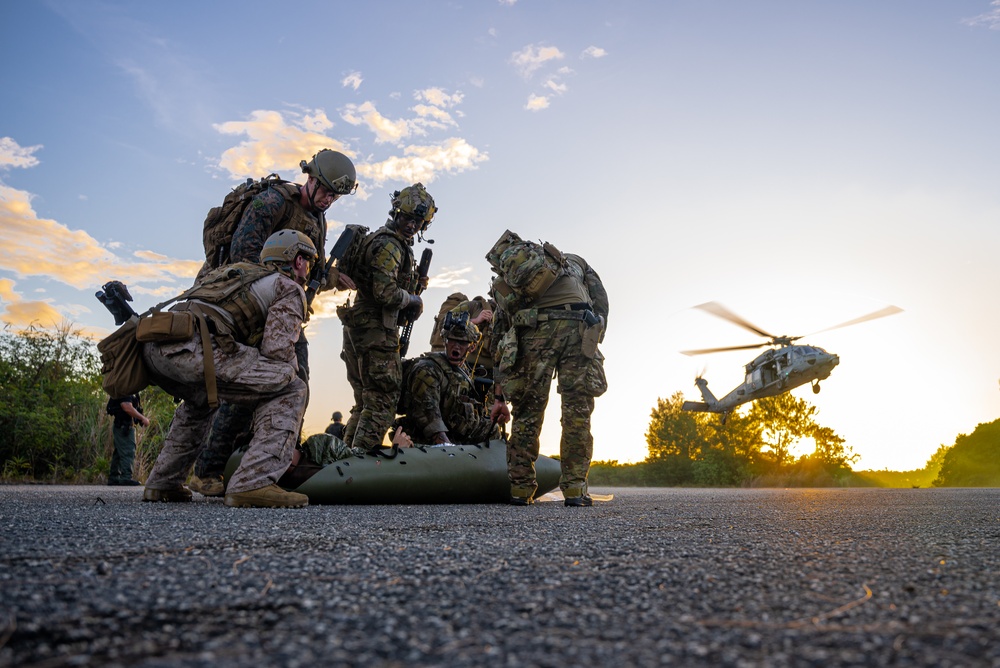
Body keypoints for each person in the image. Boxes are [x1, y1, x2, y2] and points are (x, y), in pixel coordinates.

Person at [188, 149, 357, 497]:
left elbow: (308, 270)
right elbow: (242, 255)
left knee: (298, 382)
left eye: (334, 196)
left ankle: (270, 467)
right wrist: (271, 299)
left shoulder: (318, 220)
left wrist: (330, 277)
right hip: (252, 308)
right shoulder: (272, 201)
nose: (328, 199)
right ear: (310, 178)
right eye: (325, 190)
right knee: (249, 386)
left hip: (286, 313)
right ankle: (208, 471)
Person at [141, 230, 318, 508]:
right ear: (297, 260)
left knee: (201, 399)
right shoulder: (287, 287)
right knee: (291, 385)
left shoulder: (238, 275)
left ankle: (163, 483)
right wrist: (288, 372)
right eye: (308, 261)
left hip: (158, 349)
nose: (308, 268)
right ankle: (253, 483)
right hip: (198, 349)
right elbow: (277, 351)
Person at [488, 234, 609, 507]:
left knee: (528, 412)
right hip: (578, 329)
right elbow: (599, 296)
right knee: (577, 412)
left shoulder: (502, 284)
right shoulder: (571, 262)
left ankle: (520, 489)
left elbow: (498, 336)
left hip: (535, 333)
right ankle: (576, 489)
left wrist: (500, 391)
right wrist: (596, 332)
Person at [339, 183, 436, 452]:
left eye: (417, 221)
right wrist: (412, 299)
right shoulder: (391, 246)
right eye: (407, 218)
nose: (411, 225)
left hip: (359, 326)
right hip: (375, 329)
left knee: (365, 400)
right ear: (396, 213)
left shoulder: (384, 241)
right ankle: (359, 463)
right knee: (382, 398)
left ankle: (347, 459)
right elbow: (385, 292)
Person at [396, 313, 498, 445]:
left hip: (456, 435)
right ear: (445, 341)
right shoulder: (429, 370)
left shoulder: (462, 372)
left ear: (472, 347)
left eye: (462, 342)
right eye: (452, 340)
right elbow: (429, 418)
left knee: (493, 431)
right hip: (425, 440)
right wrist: (447, 447)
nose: (456, 346)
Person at [106, 394, 149, 486]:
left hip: (123, 425)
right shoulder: (126, 391)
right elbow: (126, 406)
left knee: (119, 452)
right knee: (128, 451)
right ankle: (126, 478)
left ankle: (114, 477)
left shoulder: (128, 391)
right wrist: (142, 418)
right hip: (123, 426)